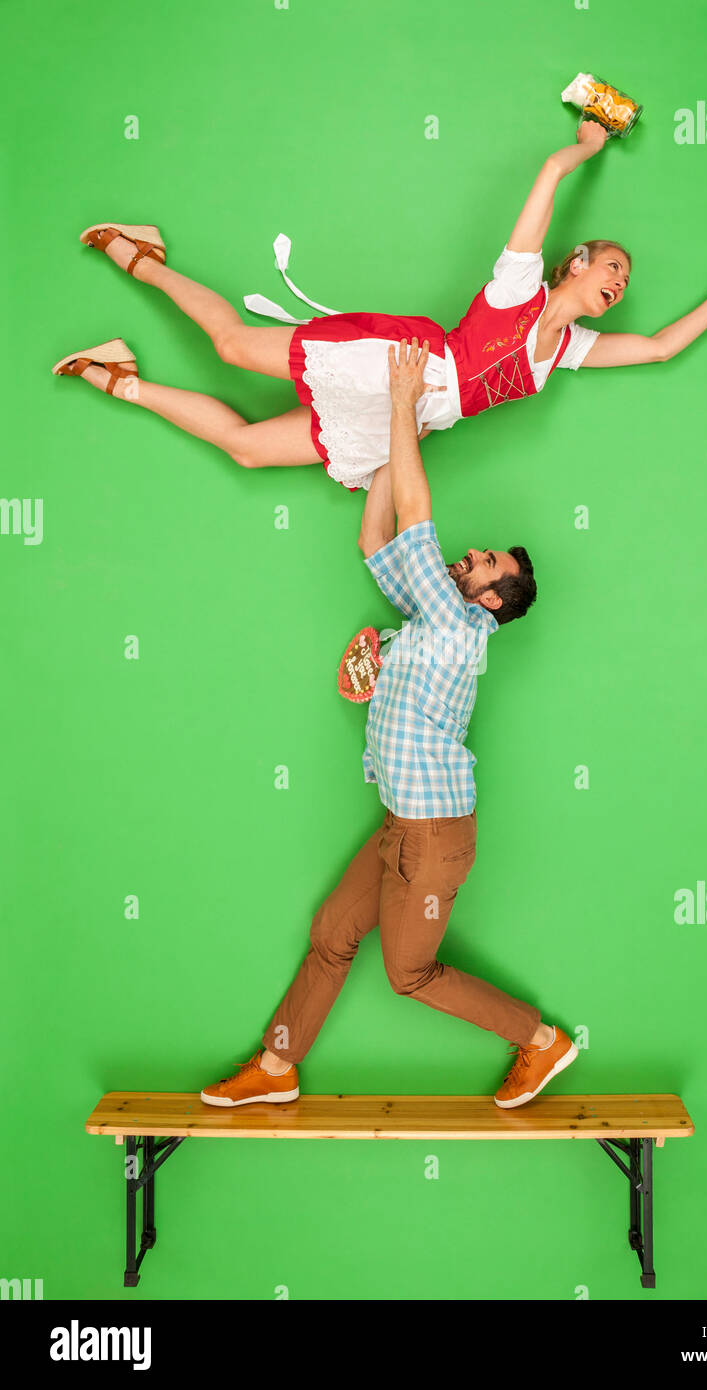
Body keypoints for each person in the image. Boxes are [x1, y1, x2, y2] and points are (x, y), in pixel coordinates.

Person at [200, 338, 578, 1110]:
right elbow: (376, 538)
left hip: (431, 840)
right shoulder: (429, 617)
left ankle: (540, 1041)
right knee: (332, 931)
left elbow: (415, 515)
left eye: (486, 565)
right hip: (405, 826)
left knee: (409, 975)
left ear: (489, 603)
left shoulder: (460, 626)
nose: (470, 555)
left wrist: (403, 404)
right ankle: (276, 1067)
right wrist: (379, 448)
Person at [51, 123, 707, 489]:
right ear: (576, 263)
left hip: (408, 421)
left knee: (247, 451)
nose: (618, 283)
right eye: (612, 266)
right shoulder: (520, 285)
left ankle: (124, 378)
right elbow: (546, 175)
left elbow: (660, 347)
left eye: (623, 283)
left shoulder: (570, 351)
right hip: (398, 363)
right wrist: (585, 145)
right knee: (233, 347)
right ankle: (145, 257)